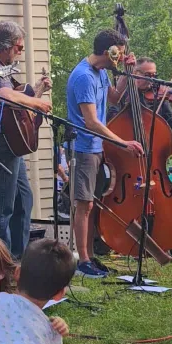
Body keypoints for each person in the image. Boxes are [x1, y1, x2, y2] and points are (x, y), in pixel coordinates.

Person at [0, 20, 52, 259]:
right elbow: (5, 96)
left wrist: (36, 91)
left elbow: (14, 110)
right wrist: (39, 103)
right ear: (5, 46)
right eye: (18, 47)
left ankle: (19, 257)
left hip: (10, 144)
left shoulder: (0, 67)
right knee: (3, 204)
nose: (20, 51)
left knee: (23, 198)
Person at [65, 30, 143, 277]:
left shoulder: (100, 73)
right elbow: (91, 121)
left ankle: (90, 257)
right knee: (84, 203)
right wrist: (122, 143)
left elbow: (114, 97)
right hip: (83, 147)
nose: (120, 57)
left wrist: (128, 73)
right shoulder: (84, 76)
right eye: (119, 52)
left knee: (92, 204)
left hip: (96, 147)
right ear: (108, 50)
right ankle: (82, 261)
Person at [110, 57, 172, 131]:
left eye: (154, 75)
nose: (152, 79)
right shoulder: (122, 92)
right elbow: (112, 117)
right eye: (148, 75)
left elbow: (168, 125)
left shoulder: (158, 94)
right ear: (136, 73)